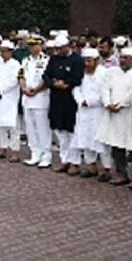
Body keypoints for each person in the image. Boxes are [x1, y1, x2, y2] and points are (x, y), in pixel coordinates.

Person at [95, 48, 132, 186]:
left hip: (130, 113)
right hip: (113, 113)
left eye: (127, 58)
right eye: (122, 57)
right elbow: (104, 88)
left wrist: (121, 104)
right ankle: (121, 174)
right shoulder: (112, 72)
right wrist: (108, 103)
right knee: (116, 144)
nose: (123, 60)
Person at [44, 36, 84, 173]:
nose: (59, 51)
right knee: (60, 131)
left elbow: (78, 78)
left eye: (61, 48)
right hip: (56, 98)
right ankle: (64, 160)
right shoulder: (54, 59)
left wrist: (66, 83)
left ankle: (75, 162)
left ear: (68, 46)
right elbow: (46, 75)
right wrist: (54, 83)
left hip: (70, 99)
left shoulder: (77, 60)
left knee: (72, 131)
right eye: (57, 49)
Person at [71, 48, 106, 178]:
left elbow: (104, 93)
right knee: (84, 138)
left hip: (98, 111)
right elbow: (76, 88)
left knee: (100, 141)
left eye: (89, 61)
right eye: (85, 61)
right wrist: (81, 100)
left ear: (97, 61)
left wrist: (91, 102)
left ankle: (106, 169)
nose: (86, 64)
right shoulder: (81, 72)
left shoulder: (104, 73)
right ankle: (91, 167)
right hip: (83, 110)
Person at [20, 36, 52, 168]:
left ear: (41, 45)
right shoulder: (25, 60)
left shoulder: (47, 60)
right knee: (30, 128)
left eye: (34, 45)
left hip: (41, 98)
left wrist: (37, 90)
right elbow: (21, 76)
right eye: (30, 45)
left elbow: (47, 79)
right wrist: (23, 88)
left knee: (42, 128)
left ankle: (46, 155)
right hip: (27, 99)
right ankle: (35, 153)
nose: (32, 48)